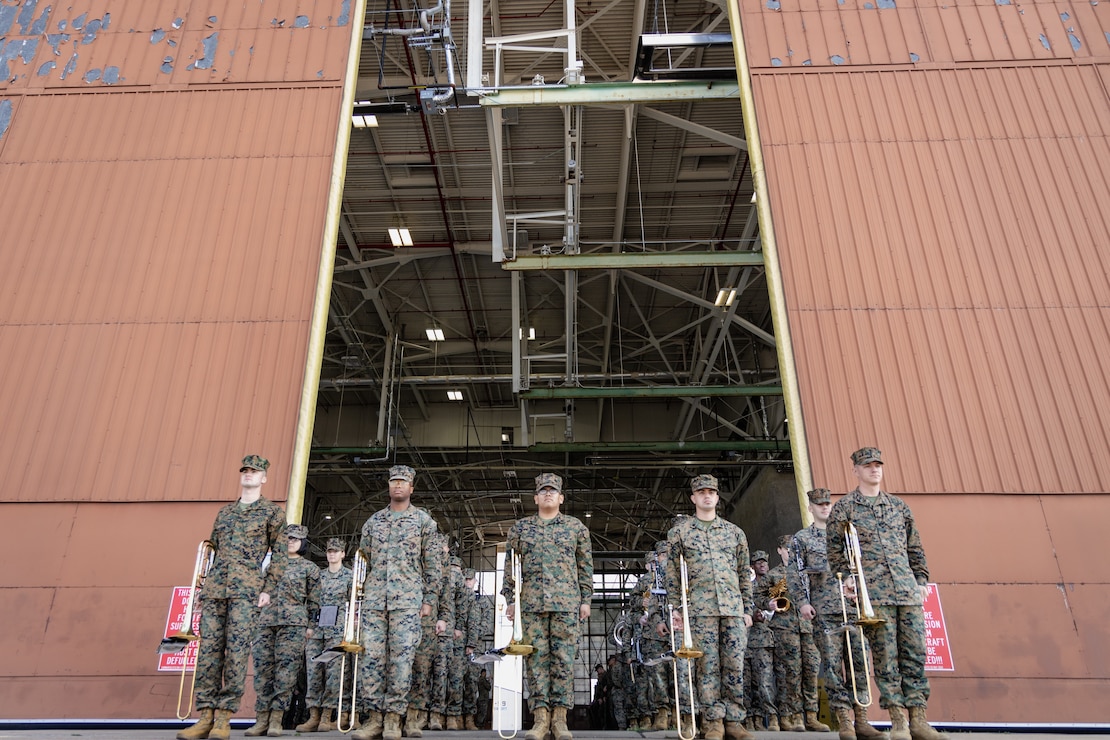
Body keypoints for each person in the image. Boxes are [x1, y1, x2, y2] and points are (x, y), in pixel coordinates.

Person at [827, 448, 946, 740]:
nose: (874, 470)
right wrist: (847, 579)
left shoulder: (899, 506)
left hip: (906, 591)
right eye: (867, 466)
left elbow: (914, 547)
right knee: (886, 658)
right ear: (855, 470)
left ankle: (918, 719)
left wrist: (921, 579)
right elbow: (833, 549)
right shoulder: (845, 508)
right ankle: (898, 722)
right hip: (875, 595)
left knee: (915, 654)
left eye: (878, 465)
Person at [177, 455, 289, 740]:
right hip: (216, 589)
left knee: (236, 655)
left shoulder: (272, 513)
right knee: (208, 654)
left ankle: (224, 717)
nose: (249, 474)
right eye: (246, 470)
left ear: (264, 478)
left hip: (247, 591)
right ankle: (204, 716)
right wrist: (203, 588)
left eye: (255, 471)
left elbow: (279, 555)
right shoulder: (225, 513)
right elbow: (211, 552)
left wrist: (267, 589)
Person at [662, 474, 755, 740]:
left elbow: (742, 573)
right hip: (699, 610)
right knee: (708, 667)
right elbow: (672, 575)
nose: (706, 496)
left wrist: (748, 608)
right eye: (701, 492)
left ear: (717, 497)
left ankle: (735, 720)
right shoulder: (679, 532)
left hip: (733, 608)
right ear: (693, 498)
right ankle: (713, 721)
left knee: (735, 665)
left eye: (711, 492)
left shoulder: (734, 533)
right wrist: (676, 608)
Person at [502, 473, 594, 740]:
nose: (548, 494)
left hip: (567, 604)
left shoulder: (576, 528)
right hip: (531, 604)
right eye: (543, 491)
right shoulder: (520, 529)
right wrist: (510, 599)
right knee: (536, 662)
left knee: (564, 661)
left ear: (561, 497)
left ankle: (560, 718)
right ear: (535, 498)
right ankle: (541, 717)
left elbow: (585, 567)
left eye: (553, 491)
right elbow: (511, 567)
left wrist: (586, 599)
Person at [353, 465, 442, 740]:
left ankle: (393, 718)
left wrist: (429, 599)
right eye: (394, 481)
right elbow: (361, 564)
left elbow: (433, 566)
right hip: (374, 602)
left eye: (403, 482)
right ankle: (374, 719)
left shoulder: (424, 522)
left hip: (407, 603)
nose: (398, 485)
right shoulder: (373, 522)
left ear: (412, 488)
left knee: (402, 662)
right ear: (389, 486)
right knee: (372, 660)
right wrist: (358, 601)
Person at [788, 488, 885, 740]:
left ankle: (862, 719)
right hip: (824, 610)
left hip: (853, 609)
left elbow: (863, 567)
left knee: (860, 664)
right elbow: (796, 574)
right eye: (818, 505)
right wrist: (802, 603)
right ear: (810, 508)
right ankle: (844, 721)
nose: (824, 508)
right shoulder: (802, 539)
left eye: (827, 504)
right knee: (832, 667)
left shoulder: (846, 535)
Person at [245, 524, 321, 737]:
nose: (291, 542)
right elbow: (257, 594)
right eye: (288, 538)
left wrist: (311, 627)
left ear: (303, 542)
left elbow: (315, 601)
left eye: (295, 539)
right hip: (265, 622)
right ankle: (261, 719)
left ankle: (277, 719)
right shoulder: (270, 566)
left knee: (286, 672)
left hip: (293, 624)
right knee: (263, 670)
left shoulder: (309, 569)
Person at [757, 534, 827, 733]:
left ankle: (812, 715)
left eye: (792, 548)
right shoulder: (773, 575)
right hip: (785, 628)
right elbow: (757, 595)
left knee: (811, 670)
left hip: (809, 627)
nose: (790, 552)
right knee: (790, 673)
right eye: (786, 548)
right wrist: (767, 603)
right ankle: (795, 716)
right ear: (779, 550)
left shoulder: (807, 570)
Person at [300, 537, 354, 733]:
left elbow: (353, 606)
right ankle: (313, 715)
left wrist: (349, 631)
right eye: (329, 551)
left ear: (342, 554)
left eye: (335, 551)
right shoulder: (318, 576)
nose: (331, 554)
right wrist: (308, 625)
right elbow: (311, 602)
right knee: (313, 673)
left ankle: (327, 715)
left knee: (334, 675)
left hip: (337, 631)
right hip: (316, 630)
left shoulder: (349, 577)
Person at [744, 551, 777, 732]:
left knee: (764, 682)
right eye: (758, 563)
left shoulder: (776, 583)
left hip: (765, 639)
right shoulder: (747, 585)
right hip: (747, 639)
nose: (762, 565)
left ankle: (771, 717)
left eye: (764, 561)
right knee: (746, 683)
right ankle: (751, 718)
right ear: (753, 566)